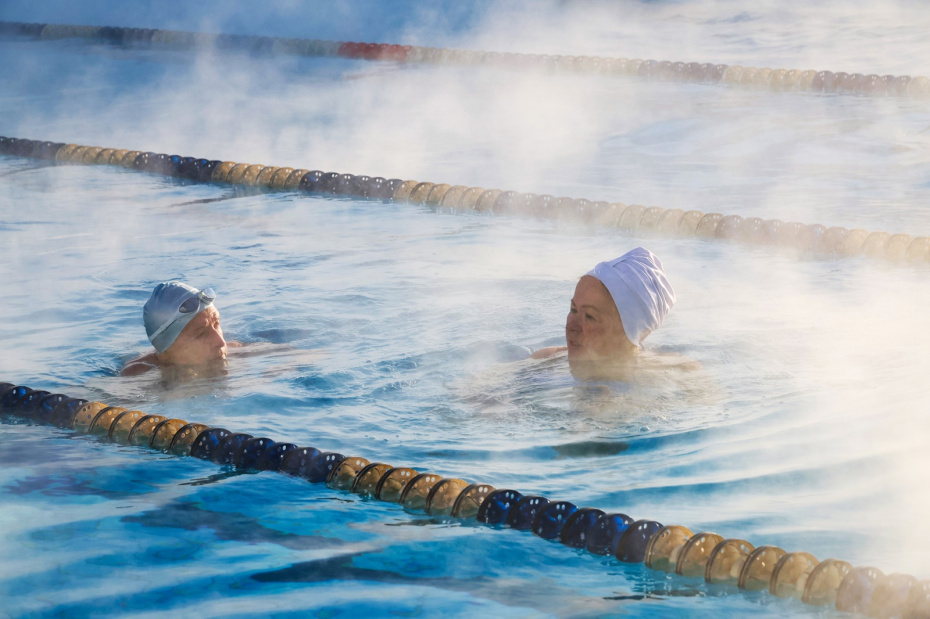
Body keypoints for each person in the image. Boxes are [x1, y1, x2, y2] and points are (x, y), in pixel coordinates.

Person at [531, 247, 696, 380]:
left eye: (589, 316)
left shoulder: (679, 372)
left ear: (628, 330)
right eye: (573, 310)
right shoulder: (545, 360)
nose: (571, 326)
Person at [122, 281, 241, 376]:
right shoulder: (139, 375)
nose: (220, 342)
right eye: (200, 334)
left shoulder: (236, 351)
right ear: (166, 348)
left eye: (216, 324)